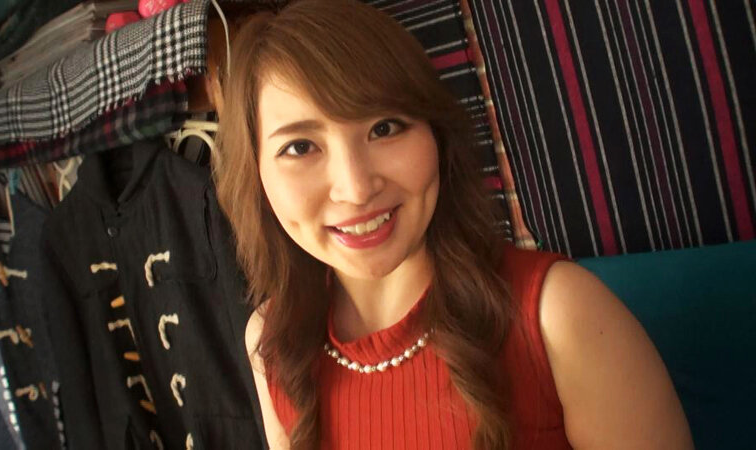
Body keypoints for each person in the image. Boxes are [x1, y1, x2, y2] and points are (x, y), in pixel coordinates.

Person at [212, 0, 694, 448]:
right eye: (300, 147)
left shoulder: (558, 314)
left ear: (437, 138)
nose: (355, 188)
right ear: (255, 175)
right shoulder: (273, 341)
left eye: (385, 128)